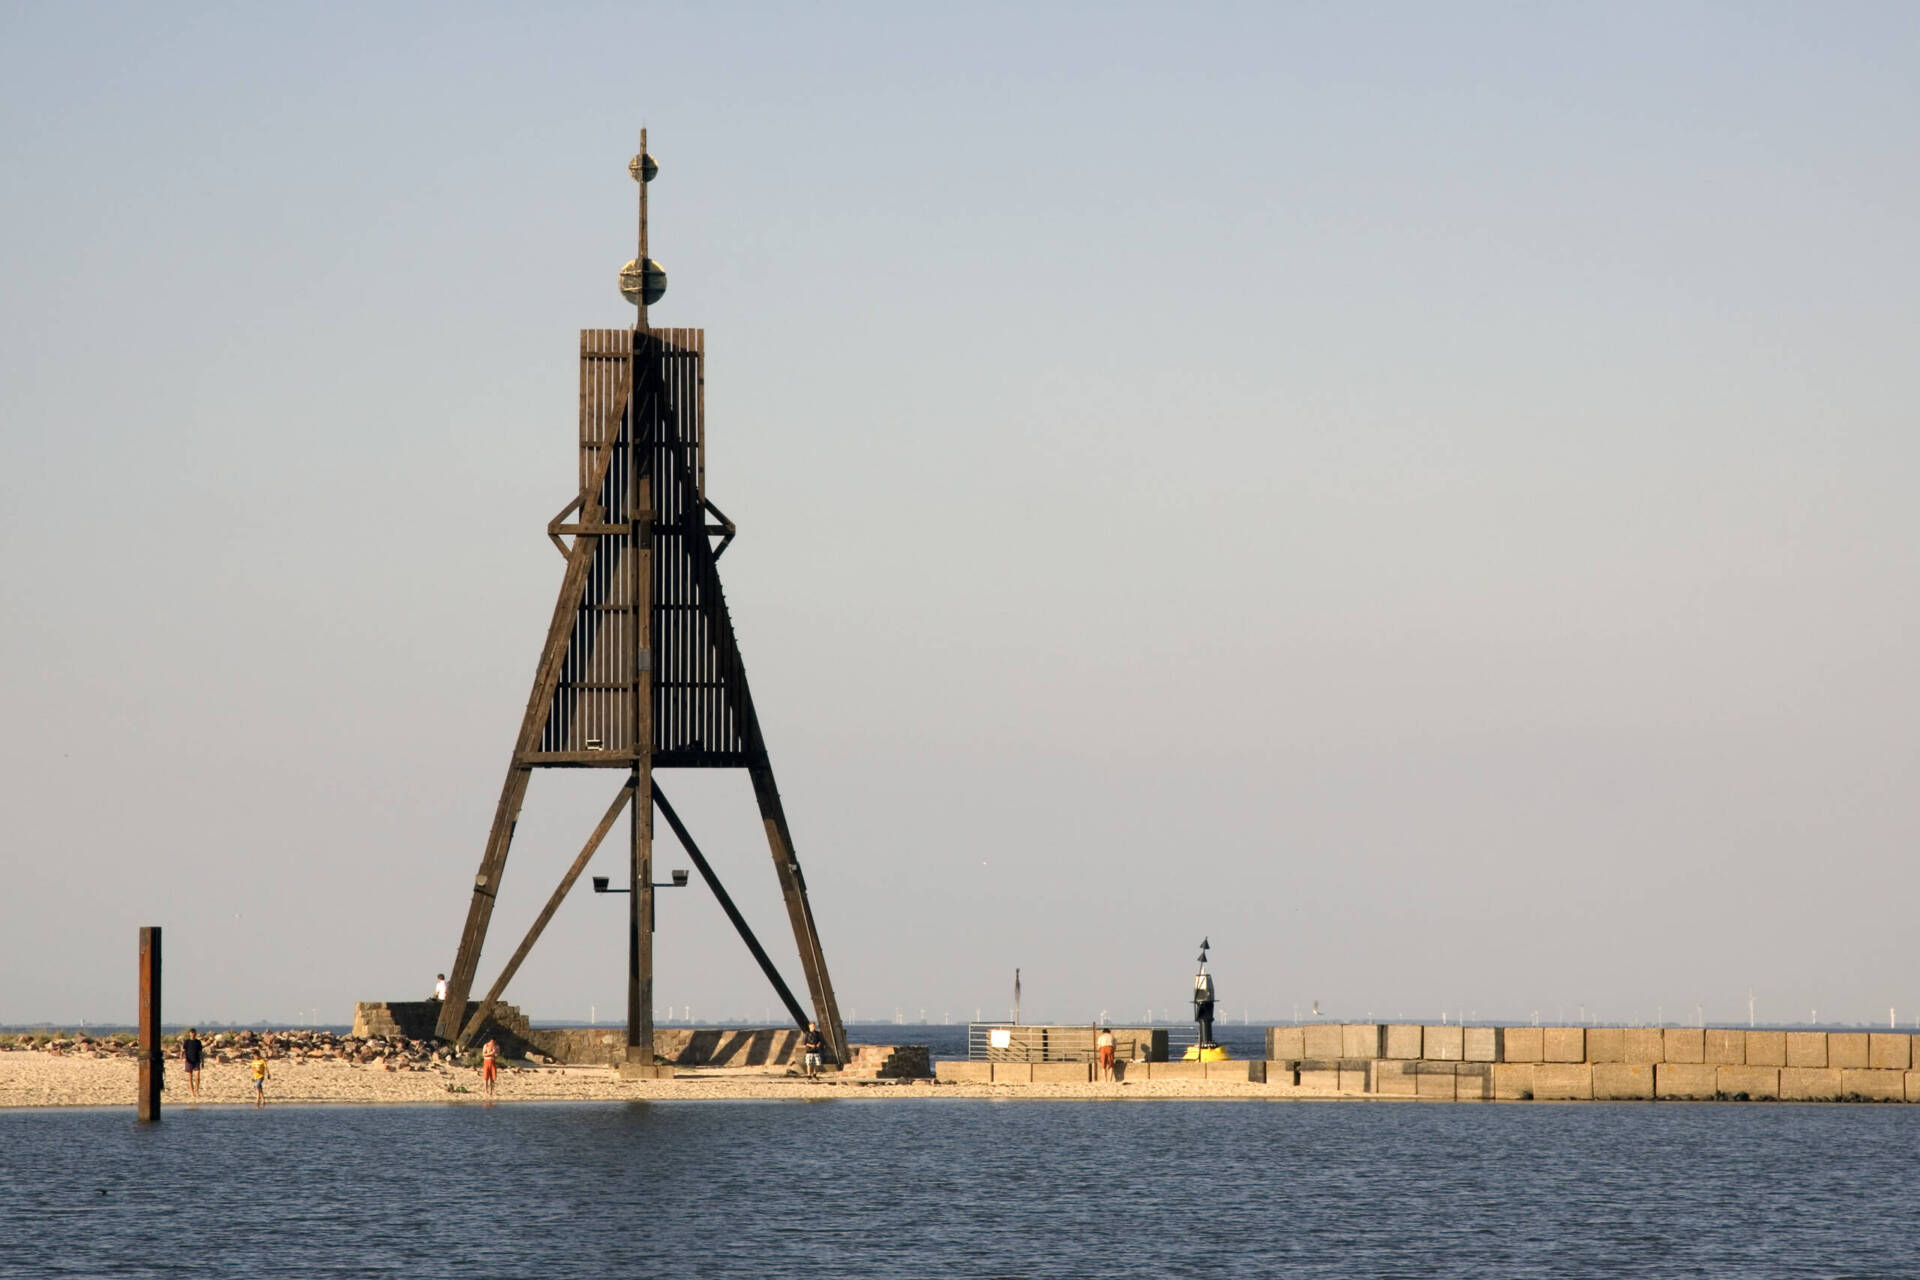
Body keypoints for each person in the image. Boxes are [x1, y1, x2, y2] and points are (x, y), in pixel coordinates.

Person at [180, 1028, 204, 1098]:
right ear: (190, 1034)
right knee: (190, 1078)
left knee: (197, 1077)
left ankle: (197, 1091)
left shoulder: (198, 1042)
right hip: (189, 1061)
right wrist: (181, 1056)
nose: (193, 1034)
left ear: (195, 1034)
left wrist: (202, 1061)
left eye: (194, 1033)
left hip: (197, 1061)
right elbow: (183, 1050)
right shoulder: (187, 1042)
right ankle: (192, 1092)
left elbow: (200, 1052)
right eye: (191, 1033)